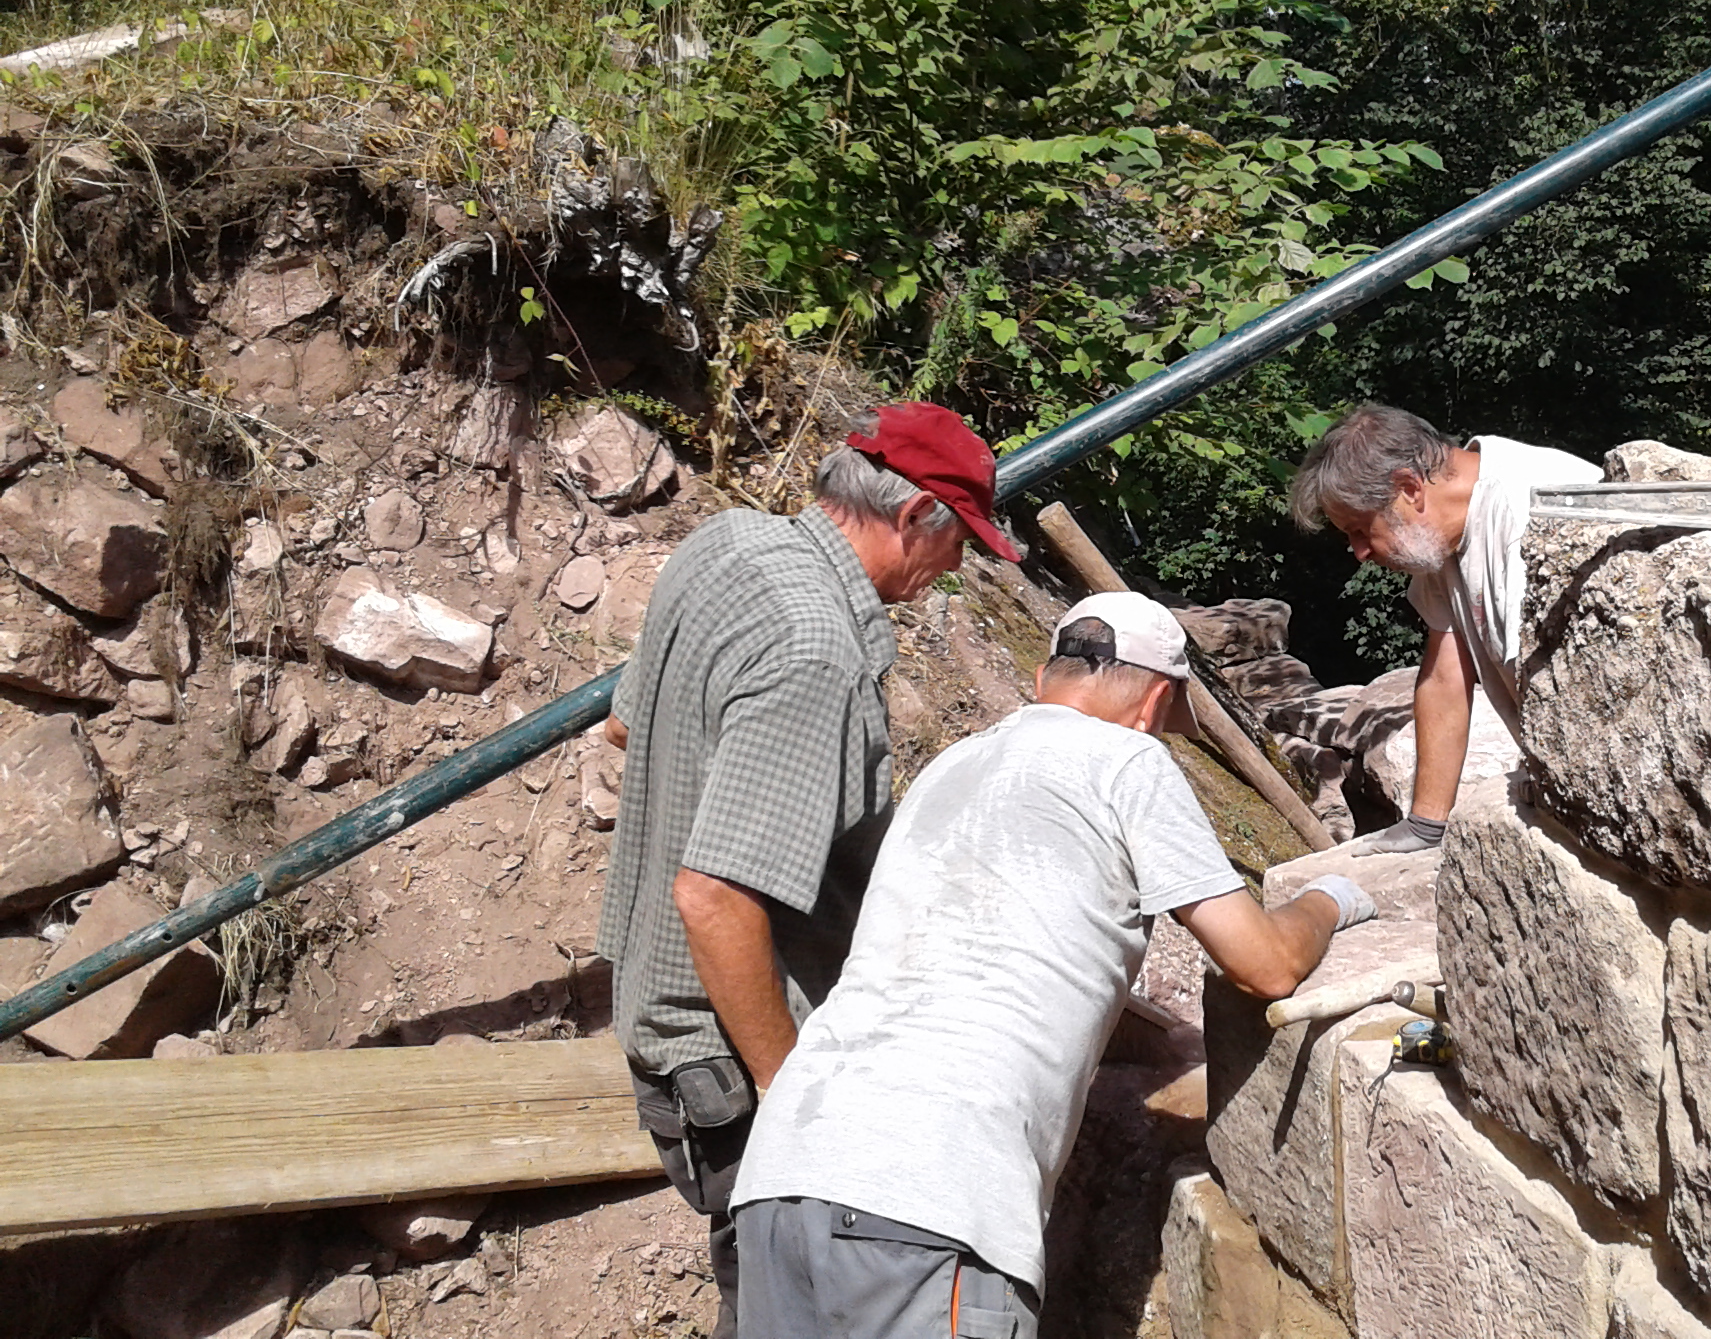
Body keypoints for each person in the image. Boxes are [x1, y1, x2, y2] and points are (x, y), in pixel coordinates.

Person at [729, 591, 1377, 1337]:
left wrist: (1155, 1039)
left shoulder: (953, 766)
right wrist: (1329, 898)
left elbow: (991, 959)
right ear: (1156, 700)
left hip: (783, 1174)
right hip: (927, 1197)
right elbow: (1263, 965)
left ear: (1045, 677)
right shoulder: (1127, 760)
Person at [596, 402, 1022, 1339]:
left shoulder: (727, 543)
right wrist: (798, 1109)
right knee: (780, 1303)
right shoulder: (814, 648)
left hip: (663, 1012)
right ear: (913, 517)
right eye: (960, 543)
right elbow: (713, 897)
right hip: (727, 1056)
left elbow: (627, 724)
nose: (957, 567)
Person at [1289, 403, 1599, 856]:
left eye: (1360, 529)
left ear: (1409, 488)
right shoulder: (1442, 529)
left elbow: (1567, 696)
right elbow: (1444, 676)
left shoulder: (1529, 515)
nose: (1359, 552)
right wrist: (1425, 825)